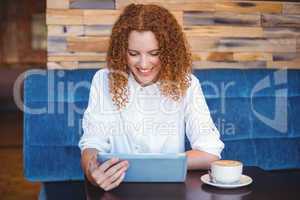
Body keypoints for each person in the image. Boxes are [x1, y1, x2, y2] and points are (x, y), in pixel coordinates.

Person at [79, 4, 224, 191]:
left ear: (169, 51)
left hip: (170, 190)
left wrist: (157, 165)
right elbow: (92, 144)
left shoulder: (187, 83)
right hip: (118, 187)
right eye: (133, 54)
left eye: (154, 53)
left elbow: (210, 151)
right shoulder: (103, 80)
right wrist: (92, 172)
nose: (143, 64)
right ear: (122, 50)